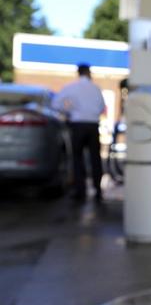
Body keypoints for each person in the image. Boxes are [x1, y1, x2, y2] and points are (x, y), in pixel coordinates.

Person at [53, 64, 106, 202]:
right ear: (89, 73)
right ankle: (97, 189)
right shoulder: (96, 89)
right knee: (95, 158)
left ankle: (80, 190)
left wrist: (70, 111)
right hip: (93, 125)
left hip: (77, 125)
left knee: (77, 158)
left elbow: (55, 103)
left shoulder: (71, 87)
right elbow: (101, 107)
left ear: (79, 73)